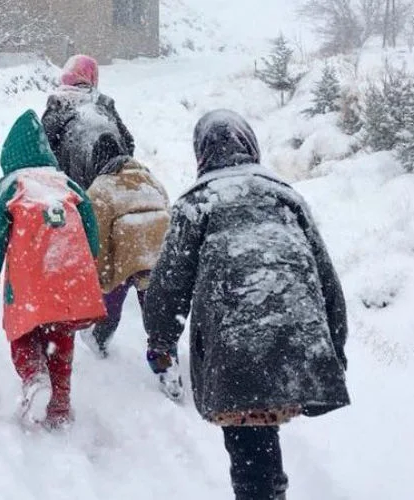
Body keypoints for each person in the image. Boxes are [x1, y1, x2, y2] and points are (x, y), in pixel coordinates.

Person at [143, 109, 350, 500]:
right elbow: (327, 281)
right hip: (297, 336)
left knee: (249, 449)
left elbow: (168, 287)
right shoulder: (288, 198)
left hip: (235, 345)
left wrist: (160, 341)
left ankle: (263, 491)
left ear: (201, 153)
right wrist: (334, 349)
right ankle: (269, 489)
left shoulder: (197, 205)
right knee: (260, 444)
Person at [0, 109, 106, 429]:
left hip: (30, 276)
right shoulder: (67, 183)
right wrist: (88, 265)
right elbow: (90, 229)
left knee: (22, 331)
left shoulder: (12, 184)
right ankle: (60, 404)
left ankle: (34, 377)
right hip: (70, 270)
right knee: (61, 337)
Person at [80, 137, 170, 365]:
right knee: (156, 315)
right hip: (157, 255)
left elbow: (96, 238)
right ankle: (165, 361)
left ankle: (100, 342)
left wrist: (99, 276)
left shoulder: (100, 188)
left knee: (110, 304)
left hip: (124, 257)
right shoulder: (151, 180)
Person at [41, 54, 135, 190]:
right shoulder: (104, 104)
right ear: (92, 76)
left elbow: (43, 148)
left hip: (74, 188)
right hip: (114, 184)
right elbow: (129, 143)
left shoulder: (59, 104)